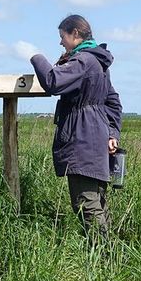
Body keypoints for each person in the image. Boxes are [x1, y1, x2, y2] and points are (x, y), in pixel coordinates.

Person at [30, 14, 122, 241]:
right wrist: (111, 132)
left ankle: (104, 257)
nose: (61, 42)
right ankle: (111, 257)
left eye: (63, 37)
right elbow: (113, 102)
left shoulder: (85, 60)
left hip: (83, 138)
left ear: (76, 34)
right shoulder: (98, 64)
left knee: (86, 202)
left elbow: (53, 81)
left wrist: (36, 57)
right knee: (97, 201)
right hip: (96, 138)